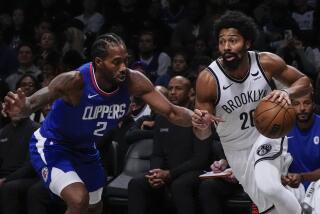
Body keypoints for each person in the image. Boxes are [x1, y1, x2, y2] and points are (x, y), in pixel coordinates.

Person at [2, 33, 193, 214]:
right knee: (79, 200)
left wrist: (198, 119)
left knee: (94, 207)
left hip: (85, 148)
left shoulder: (133, 80)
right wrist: (23, 107)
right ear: (99, 62)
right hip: (54, 145)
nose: (123, 67)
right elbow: (34, 101)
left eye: (125, 60)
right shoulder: (75, 81)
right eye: (116, 62)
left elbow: (172, 111)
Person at [192, 11, 311, 214]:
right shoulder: (208, 80)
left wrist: (286, 91)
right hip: (236, 149)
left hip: (267, 135)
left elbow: (305, 83)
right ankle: (298, 203)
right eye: (222, 42)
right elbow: (203, 134)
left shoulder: (265, 62)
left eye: (233, 40)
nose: (226, 47)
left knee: (269, 186)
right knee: (268, 206)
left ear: (247, 42)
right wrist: (201, 125)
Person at [128, 76, 211, 214]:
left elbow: (200, 159)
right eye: (170, 88)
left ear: (191, 93)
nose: (172, 92)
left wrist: (169, 174)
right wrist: (156, 173)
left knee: (180, 185)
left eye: (178, 88)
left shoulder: (200, 118)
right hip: (167, 172)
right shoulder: (162, 118)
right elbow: (157, 153)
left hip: (194, 171)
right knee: (137, 183)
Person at [282, 91, 320, 212]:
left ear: (314, 104)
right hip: (293, 185)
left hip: (317, 183)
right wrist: (282, 178)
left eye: (307, 103)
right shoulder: (282, 129)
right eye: (296, 104)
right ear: (290, 106)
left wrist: (303, 177)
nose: (302, 108)